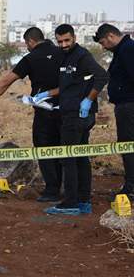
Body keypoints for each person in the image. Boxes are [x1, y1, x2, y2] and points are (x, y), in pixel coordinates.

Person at [0, 27, 64, 202]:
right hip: (68, 109)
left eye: (26, 44)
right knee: (64, 149)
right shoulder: (63, 52)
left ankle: (53, 189)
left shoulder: (30, 58)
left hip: (44, 111)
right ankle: (69, 189)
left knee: (44, 148)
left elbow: (6, 81)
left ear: (30, 41)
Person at [39, 24, 108, 215]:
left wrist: (88, 100)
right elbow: (68, 86)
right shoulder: (65, 57)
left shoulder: (82, 55)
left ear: (74, 38)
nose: (63, 44)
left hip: (78, 116)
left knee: (68, 158)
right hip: (71, 112)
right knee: (79, 158)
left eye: (67, 40)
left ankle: (70, 202)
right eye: (59, 41)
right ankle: (83, 201)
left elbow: (102, 76)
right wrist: (45, 94)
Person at [94, 23, 134, 200]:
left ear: (111, 36)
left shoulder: (127, 50)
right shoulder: (123, 50)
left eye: (103, 42)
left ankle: (131, 187)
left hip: (129, 105)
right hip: (125, 105)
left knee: (128, 145)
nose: (103, 47)